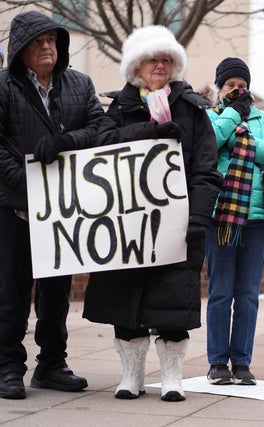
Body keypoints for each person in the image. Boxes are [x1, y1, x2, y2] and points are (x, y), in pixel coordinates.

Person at [82, 25, 222, 402]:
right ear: (136, 67)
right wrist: (150, 131)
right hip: (127, 225)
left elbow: (207, 169)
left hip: (178, 225)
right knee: (126, 302)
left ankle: (172, 376)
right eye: (151, 59)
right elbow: (99, 147)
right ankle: (132, 375)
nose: (159, 66)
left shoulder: (193, 110)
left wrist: (197, 217)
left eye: (166, 60)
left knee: (173, 300)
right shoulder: (120, 108)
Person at [0, 11, 104, 400]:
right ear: (20, 49)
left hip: (63, 211)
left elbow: (100, 129)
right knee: (12, 292)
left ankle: (52, 364)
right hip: (16, 208)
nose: (47, 47)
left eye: (52, 40)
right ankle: (8, 366)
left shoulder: (80, 84)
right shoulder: (4, 86)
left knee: (57, 292)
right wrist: (28, 184)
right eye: (37, 41)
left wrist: (67, 142)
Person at [204, 57, 264, 386]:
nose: (237, 90)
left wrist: (240, 138)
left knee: (248, 293)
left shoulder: (262, 118)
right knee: (221, 291)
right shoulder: (210, 115)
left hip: (257, 217)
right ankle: (217, 362)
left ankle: (242, 361)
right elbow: (209, 141)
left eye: (242, 85)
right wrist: (234, 118)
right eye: (230, 85)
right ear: (219, 88)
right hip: (221, 214)